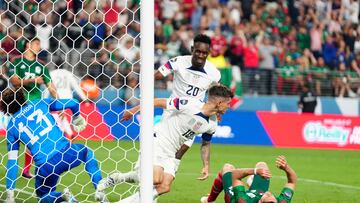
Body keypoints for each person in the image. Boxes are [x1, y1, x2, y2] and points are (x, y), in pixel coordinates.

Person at [96, 85, 234, 202]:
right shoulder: (190, 104)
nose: (229, 107)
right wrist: (133, 111)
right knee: (155, 179)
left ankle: (118, 179)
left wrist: (206, 165)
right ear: (219, 103)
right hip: (158, 141)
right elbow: (157, 102)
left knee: (164, 186)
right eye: (228, 103)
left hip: (171, 152)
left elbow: (205, 144)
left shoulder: (212, 123)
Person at [1, 88, 107, 203]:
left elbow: (12, 162)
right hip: (67, 152)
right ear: (22, 97)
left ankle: (62, 196)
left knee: (43, 198)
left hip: (45, 166)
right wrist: (77, 117)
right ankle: (100, 191)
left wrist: (10, 195)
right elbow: (74, 103)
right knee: (87, 153)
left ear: (6, 106)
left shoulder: (11, 127)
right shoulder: (40, 103)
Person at [8, 37, 59, 178]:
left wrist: (60, 105)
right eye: (36, 43)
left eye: (39, 44)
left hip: (36, 105)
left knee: (34, 138)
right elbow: (14, 81)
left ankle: (26, 169)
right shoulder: (17, 61)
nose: (39, 46)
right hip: (19, 103)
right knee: (17, 138)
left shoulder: (41, 65)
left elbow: (51, 87)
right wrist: (33, 80)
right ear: (28, 45)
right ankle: (13, 166)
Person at [201, 155, 297, 203]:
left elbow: (235, 175)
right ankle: (251, 183)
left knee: (228, 167)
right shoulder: (282, 201)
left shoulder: (243, 200)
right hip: (257, 193)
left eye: (268, 196)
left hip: (233, 198)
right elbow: (292, 182)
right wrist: (286, 168)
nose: (269, 193)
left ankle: (209, 200)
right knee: (262, 165)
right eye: (273, 199)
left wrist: (255, 171)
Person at [44, 68, 88, 140]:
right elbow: (76, 86)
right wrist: (85, 98)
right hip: (68, 98)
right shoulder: (67, 73)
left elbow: (48, 87)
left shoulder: (51, 73)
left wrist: (44, 100)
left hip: (58, 97)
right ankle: (69, 133)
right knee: (63, 116)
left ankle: (66, 133)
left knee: (61, 116)